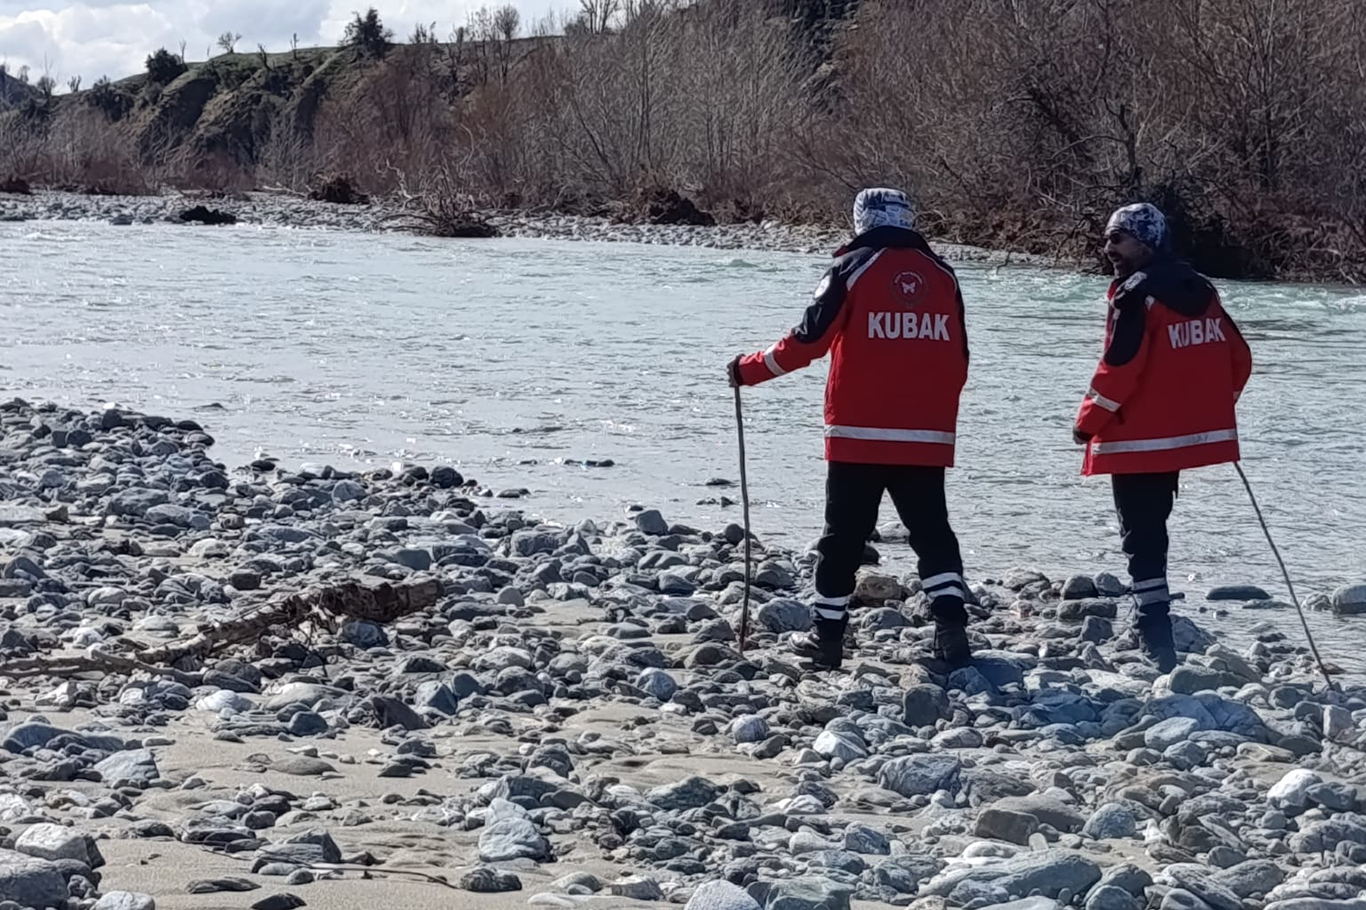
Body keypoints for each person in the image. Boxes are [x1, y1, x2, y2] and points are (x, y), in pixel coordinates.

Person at [728, 188, 972, 671]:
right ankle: (952, 634)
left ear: (861, 220)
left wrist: (747, 369)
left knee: (840, 539)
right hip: (926, 436)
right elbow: (960, 357)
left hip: (858, 432)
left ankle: (828, 640)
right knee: (933, 535)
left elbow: (807, 342)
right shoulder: (943, 275)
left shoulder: (850, 267)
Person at [1074, 203, 1253, 672]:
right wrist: (1209, 410)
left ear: (1145, 242)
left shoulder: (1133, 295)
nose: (1108, 248)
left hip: (1134, 441)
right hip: (1176, 440)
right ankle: (1154, 623)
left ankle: (1154, 633)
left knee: (1140, 536)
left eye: (1118, 238)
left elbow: (1119, 369)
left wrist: (1086, 423)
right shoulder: (1201, 289)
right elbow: (1239, 358)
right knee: (1156, 528)